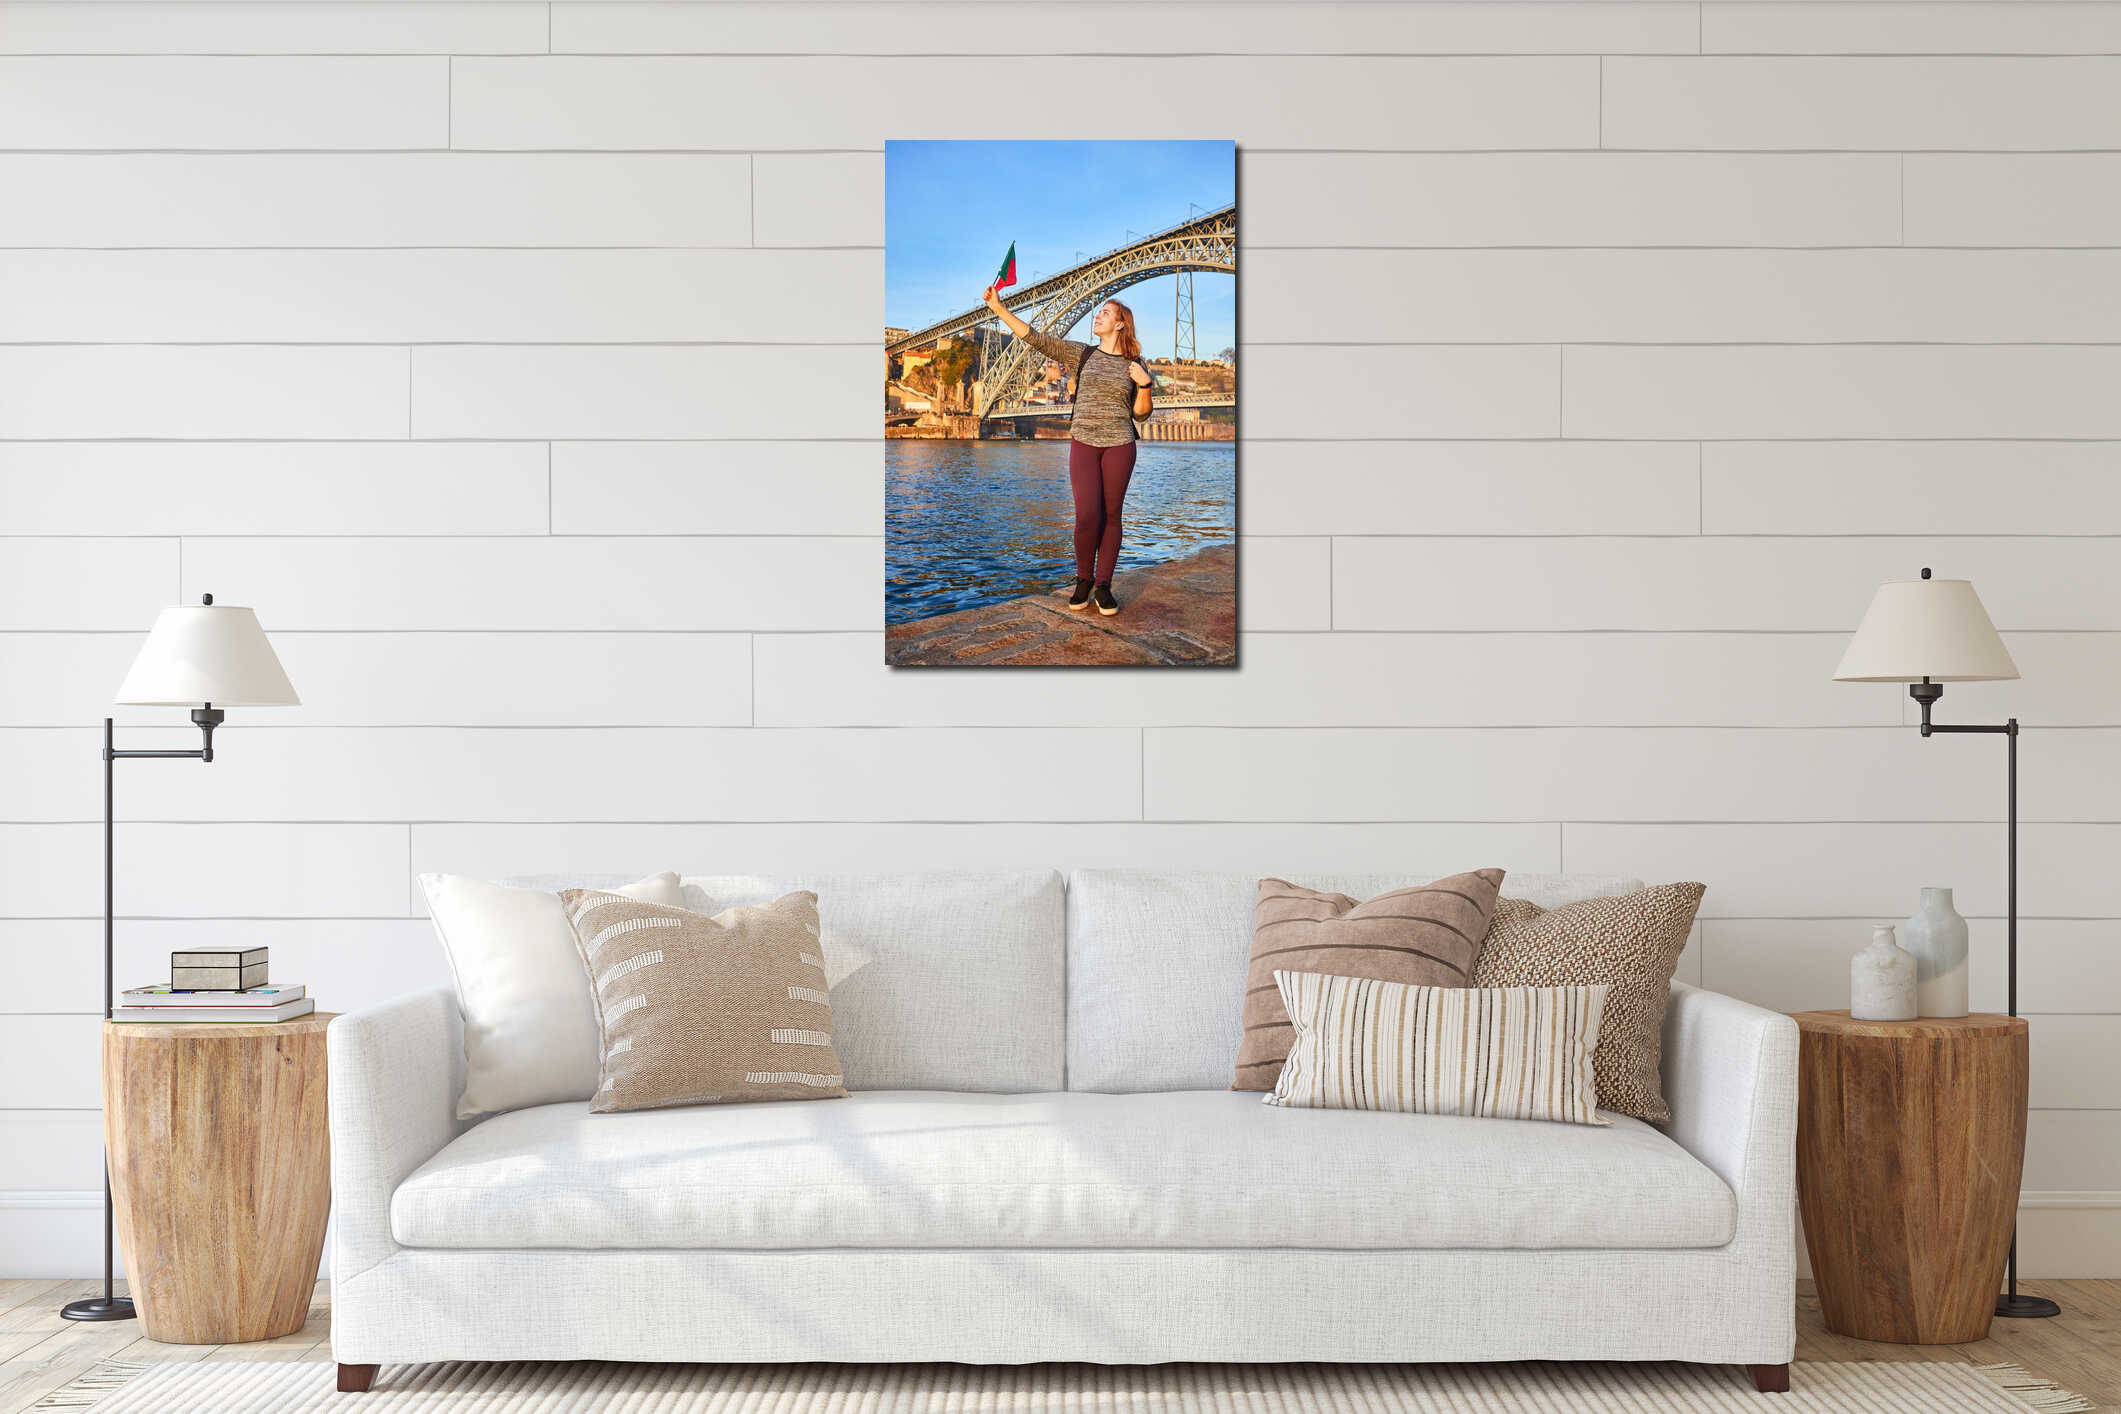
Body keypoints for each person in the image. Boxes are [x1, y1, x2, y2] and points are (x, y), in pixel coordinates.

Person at [982, 286, 1152, 615]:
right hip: (1084, 442)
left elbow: (1142, 413)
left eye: (1106, 312)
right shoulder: (1081, 353)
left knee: (1112, 515)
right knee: (1088, 514)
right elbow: (1036, 338)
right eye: (1099, 311)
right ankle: (1084, 580)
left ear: (1120, 324)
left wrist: (1144, 383)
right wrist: (999, 310)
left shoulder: (1135, 364)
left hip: (1119, 443)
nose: (1098, 315)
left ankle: (1104, 585)